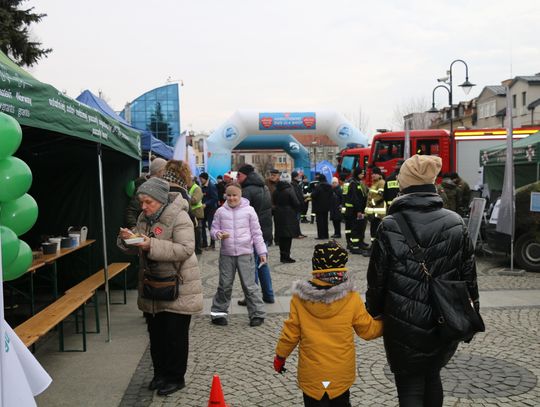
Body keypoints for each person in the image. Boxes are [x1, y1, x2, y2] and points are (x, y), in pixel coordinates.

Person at [366, 155, 479, 407]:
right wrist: (471, 314)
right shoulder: (455, 222)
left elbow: (377, 279)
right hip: (444, 316)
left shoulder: (389, 225)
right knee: (432, 375)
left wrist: (373, 310)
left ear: (404, 184)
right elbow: (469, 275)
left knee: (409, 384)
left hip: (402, 318)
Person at [117, 177, 203, 396]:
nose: (143, 207)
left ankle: (175, 377)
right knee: (156, 335)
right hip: (152, 286)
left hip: (179, 286)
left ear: (161, 200)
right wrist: (127, 240)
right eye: (142, 202)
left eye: (148, 202)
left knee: (174, 335)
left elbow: (185, 249)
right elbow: (138, 244)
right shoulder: (144, 217)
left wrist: (150, 244)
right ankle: (160, 374)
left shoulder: (180, 216)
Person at [274, 241, 383, 407]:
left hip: (312, 374)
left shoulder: (299, 299)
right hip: (340, 373)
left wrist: (280, 357)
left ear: (315, 266)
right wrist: (388, 322)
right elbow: (368, 331)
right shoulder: (351, 297)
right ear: (341, 267)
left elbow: (291, 334)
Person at [210, 182, 267, 327]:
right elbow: (213, 230)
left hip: (245, 253)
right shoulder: (220, 212)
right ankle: (218, 313)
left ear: (240, 195)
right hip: (226, 254)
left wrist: (261, 252)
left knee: (249, 286)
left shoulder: (249, 211)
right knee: (224, 285)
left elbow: (256, 233)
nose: (231, 198)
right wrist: (218, 234)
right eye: (228, 195)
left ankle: (257, 314)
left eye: (234, 195)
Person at [237, 164, 275, 304]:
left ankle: (251, 297)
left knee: (251, 265)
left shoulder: (247, 190)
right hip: (264, 232)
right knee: (262, 264)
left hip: (252, 234)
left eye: (239, 175)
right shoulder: (264, 187)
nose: (237, 178)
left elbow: (243, 215)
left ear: (246, 175)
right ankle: (269, 295)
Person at [124, 157, 168, 228]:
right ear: (160, 171)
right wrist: (135, 230)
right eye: (165, 171)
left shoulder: (157, 186)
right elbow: (131, 211)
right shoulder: (143, 187)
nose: (166, 174)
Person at [273, 171, 303, 263]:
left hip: (278, 214)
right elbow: (296, 202)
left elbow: (273, 200)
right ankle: (286, 256)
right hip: (289, 214)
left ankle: (282, 256)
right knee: (288, 236)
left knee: (281, 236)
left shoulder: (276, 189)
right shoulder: (290, 189)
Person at [343, 167, 368, 254]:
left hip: (355, 209)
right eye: (361, 173)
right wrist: (358, 210)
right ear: (357, 173)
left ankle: (359, 243)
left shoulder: (355, 182)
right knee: (355, 228)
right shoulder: (353, 183)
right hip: (354, 210)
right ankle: (355, 246)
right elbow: (355, 198)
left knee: (358, 227)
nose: (363, 175)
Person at [364, 166, 386, 253]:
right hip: (373, 213)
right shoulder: (374, 183)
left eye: (375, 174)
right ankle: (373, 248)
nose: (373, 175)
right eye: (372, 173)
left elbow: (381, 196)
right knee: (373, 231)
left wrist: (372, 203)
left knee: (375, 232)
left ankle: (374, 250)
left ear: (379, 174)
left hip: (378, 213)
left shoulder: (381, 183)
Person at [199, 172, 219, 250]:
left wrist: (206, 204)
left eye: (201, 179)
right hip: (204, 209)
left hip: (211, 209)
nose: (200, 180)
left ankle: (212, 244)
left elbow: (215, 198)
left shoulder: (211, 186)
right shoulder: (202, 186)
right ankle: (204, 243)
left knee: (211, 227)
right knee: (203, 226)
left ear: (205, 178)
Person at [311, 173, 333, 240]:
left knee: (320, 222)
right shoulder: (329, 186)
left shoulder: (318, 186)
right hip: (326, 206)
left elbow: (313, 195)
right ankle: (326, 235)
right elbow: (331, 195)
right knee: (325, 221)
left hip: (319, 206)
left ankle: (321, 236)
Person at [291, 170, 307, 238]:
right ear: (295, 177)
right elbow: (296, 195)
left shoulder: (297, 184)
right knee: (296, 220)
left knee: (298, 220)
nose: (299, 177)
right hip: (296, 205)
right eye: (298, 176)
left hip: (299, 205)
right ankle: (296, 234)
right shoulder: (293, 185)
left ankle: (299, 233)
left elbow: (300, 194)